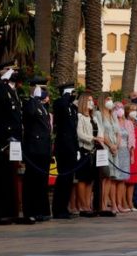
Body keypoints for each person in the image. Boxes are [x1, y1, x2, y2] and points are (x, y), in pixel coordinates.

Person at [0, 62, 27, 225]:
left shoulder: (13, 91)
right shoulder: (0, 89)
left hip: (14, 141)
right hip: (4, 140)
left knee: (13, 176)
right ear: (3, 72)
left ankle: (12, 211)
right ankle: (1, 213)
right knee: (3, 177)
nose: (15, 73)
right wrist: (1, 81)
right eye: (11, 70)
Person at [22, 78, 53, 222]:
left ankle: (41, 209)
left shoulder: (43, 107)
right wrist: (34, 97)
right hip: (34, 148)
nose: (44, 92)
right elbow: (30, 114)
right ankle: (31, 211)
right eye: (41, 89)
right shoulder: (30, 103)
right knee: (32, 181)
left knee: (41, 181)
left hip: (43, 149)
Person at [52, 83, 80, 219]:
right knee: (63, 177)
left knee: (69, 179)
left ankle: (64, 208)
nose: (73, 94)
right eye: (71, 92)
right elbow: (61, 108)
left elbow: (73, 129)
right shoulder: (60, 103)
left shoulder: (71, 107)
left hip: (72, 147)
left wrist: (77, 148)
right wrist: (65, 95)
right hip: (63, 147)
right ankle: (58, 209)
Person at [75, 93, 103, 217]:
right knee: (82, 179)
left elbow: (100, 131)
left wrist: (100, 138)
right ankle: (82, 206)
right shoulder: (80, 117)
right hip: (84, 151)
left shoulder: (94, 118)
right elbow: (79, 133)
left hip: (94, 152)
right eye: (89, 101)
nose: (91, 103)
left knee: (90, 180)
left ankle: (87, 204)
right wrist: (93, 138)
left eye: (92, 100)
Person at [95, 94, 118, 216]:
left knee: (111, 177)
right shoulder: (98, 114)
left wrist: (116, 146)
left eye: (111, 99)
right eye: (108, 99)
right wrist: (110, 145)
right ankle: (102, 204)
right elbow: (101, 131)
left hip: (115, 149)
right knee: (104, 176)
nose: (110, 101)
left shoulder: (113, 115)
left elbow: (118, 132)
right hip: (105, 148)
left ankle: (107, 202)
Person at [113, 103, 132, 212]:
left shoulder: (127, 123)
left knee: (123, 180)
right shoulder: (113, 122)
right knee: (115, 179)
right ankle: (114, 204)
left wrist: (132, 153)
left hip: (125, 152)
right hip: (116, 151)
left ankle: (120, 204)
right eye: (117, 108)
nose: (120, 110)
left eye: (121, 108)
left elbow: (131, 138)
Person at [126, 103, 137, 211]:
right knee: (128, 179)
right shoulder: (126, 123)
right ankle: (127, 203)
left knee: (134, 180)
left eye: (136, 110)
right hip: (129, 152)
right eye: (132, 109)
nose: (134, 112)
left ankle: (131, 203)